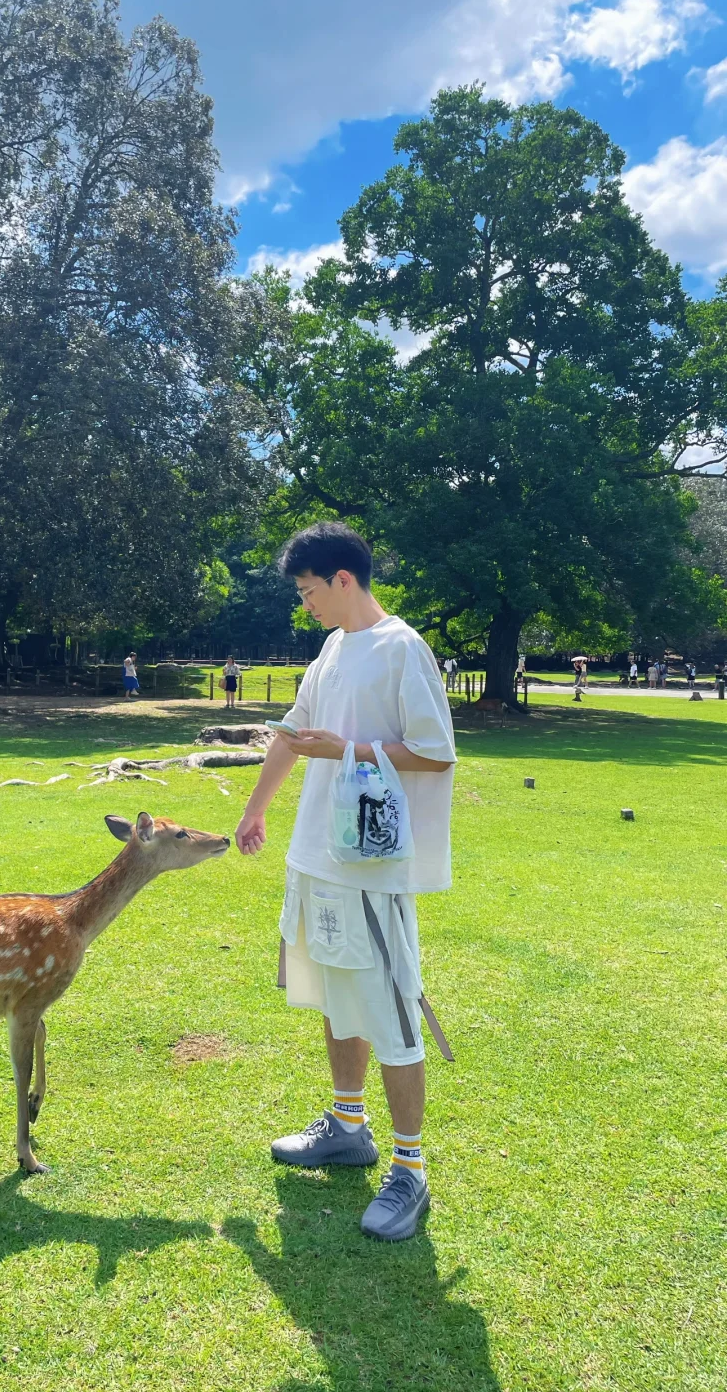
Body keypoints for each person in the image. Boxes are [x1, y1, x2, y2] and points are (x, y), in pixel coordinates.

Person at [235, 521, 456, 1243]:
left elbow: (435, 753)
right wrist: (257, 809)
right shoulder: (331, 649)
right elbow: (293, 733)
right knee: (334, 990)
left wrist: (352, 747)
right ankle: (347, 1123)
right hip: (315, 859)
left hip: (371, 866)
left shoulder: (403, 648)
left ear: (343, 580)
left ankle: (411, 1169)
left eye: (308, 593)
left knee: (389, 1008)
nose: (306, 608)